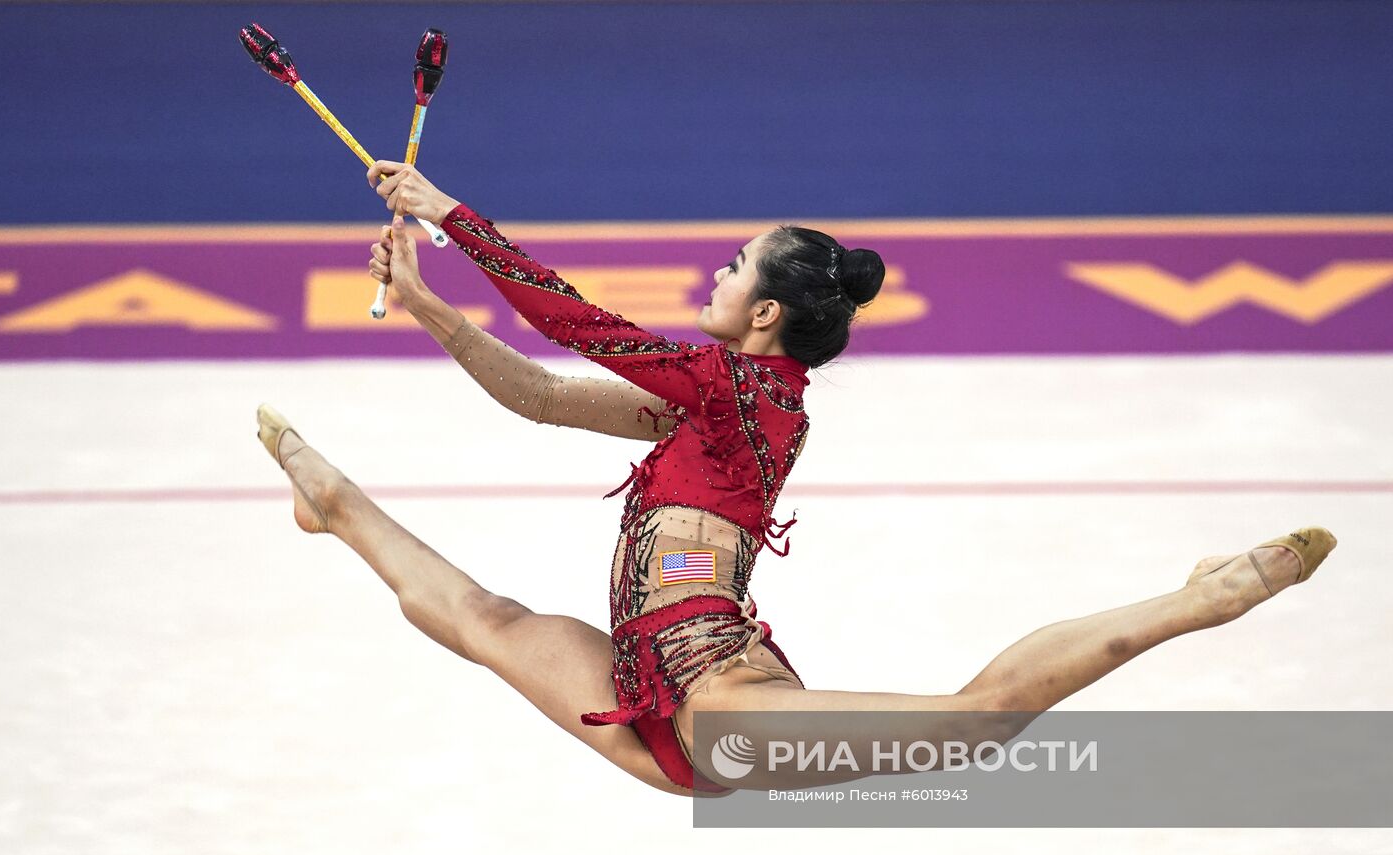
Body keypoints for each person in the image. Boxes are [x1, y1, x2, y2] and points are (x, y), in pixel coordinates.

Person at [253, 160, 1337, 796]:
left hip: (715, 699)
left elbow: (574, 321)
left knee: (976, 718)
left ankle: (1208, 594)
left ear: (765, 314)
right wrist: (435, 309)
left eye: (731, 269)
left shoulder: (730, 389)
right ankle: (331, 502)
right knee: (483, 618)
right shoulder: (728, 403)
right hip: (645, 691)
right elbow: (538, 397)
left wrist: (450, 218)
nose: (711, 276)